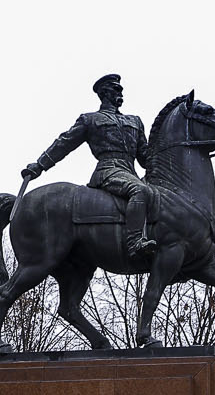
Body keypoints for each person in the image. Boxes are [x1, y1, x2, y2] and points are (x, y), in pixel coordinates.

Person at [22, 73, 157, 261]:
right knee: (140, 191)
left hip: (130, 172)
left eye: (120, 89)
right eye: (116, 89)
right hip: (108, 170)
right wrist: (39, 165)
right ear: (104, 93)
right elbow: (65, 143)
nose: (121, 92)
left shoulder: (134, 121)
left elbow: (145, 158)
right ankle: (134, 242)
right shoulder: (90, 119)